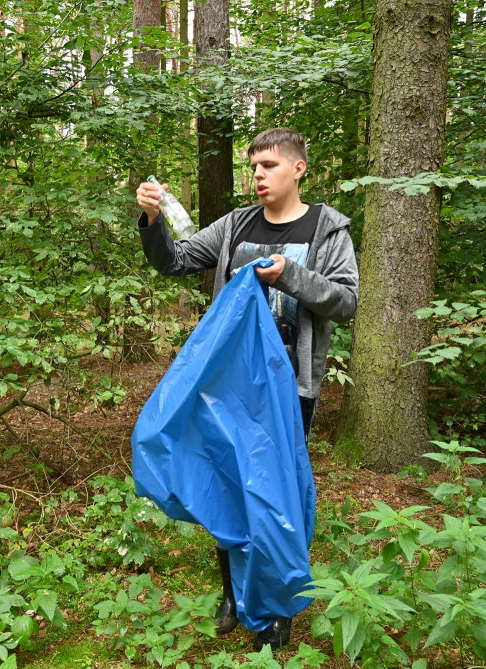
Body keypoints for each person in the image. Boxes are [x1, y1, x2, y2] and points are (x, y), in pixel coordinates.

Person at [134, 127, 360, 650]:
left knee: (276, 497)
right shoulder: (236, 225)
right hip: (226, 390)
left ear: (298, 168)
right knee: (228, 488)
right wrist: (151, 219)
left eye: (269, 165)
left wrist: (290, 276)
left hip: (289, 390)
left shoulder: (327, 230)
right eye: (253, 166)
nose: (258, 175)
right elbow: (177, 261)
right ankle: (234, 594)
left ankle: (278, 607)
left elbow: (346, 302)